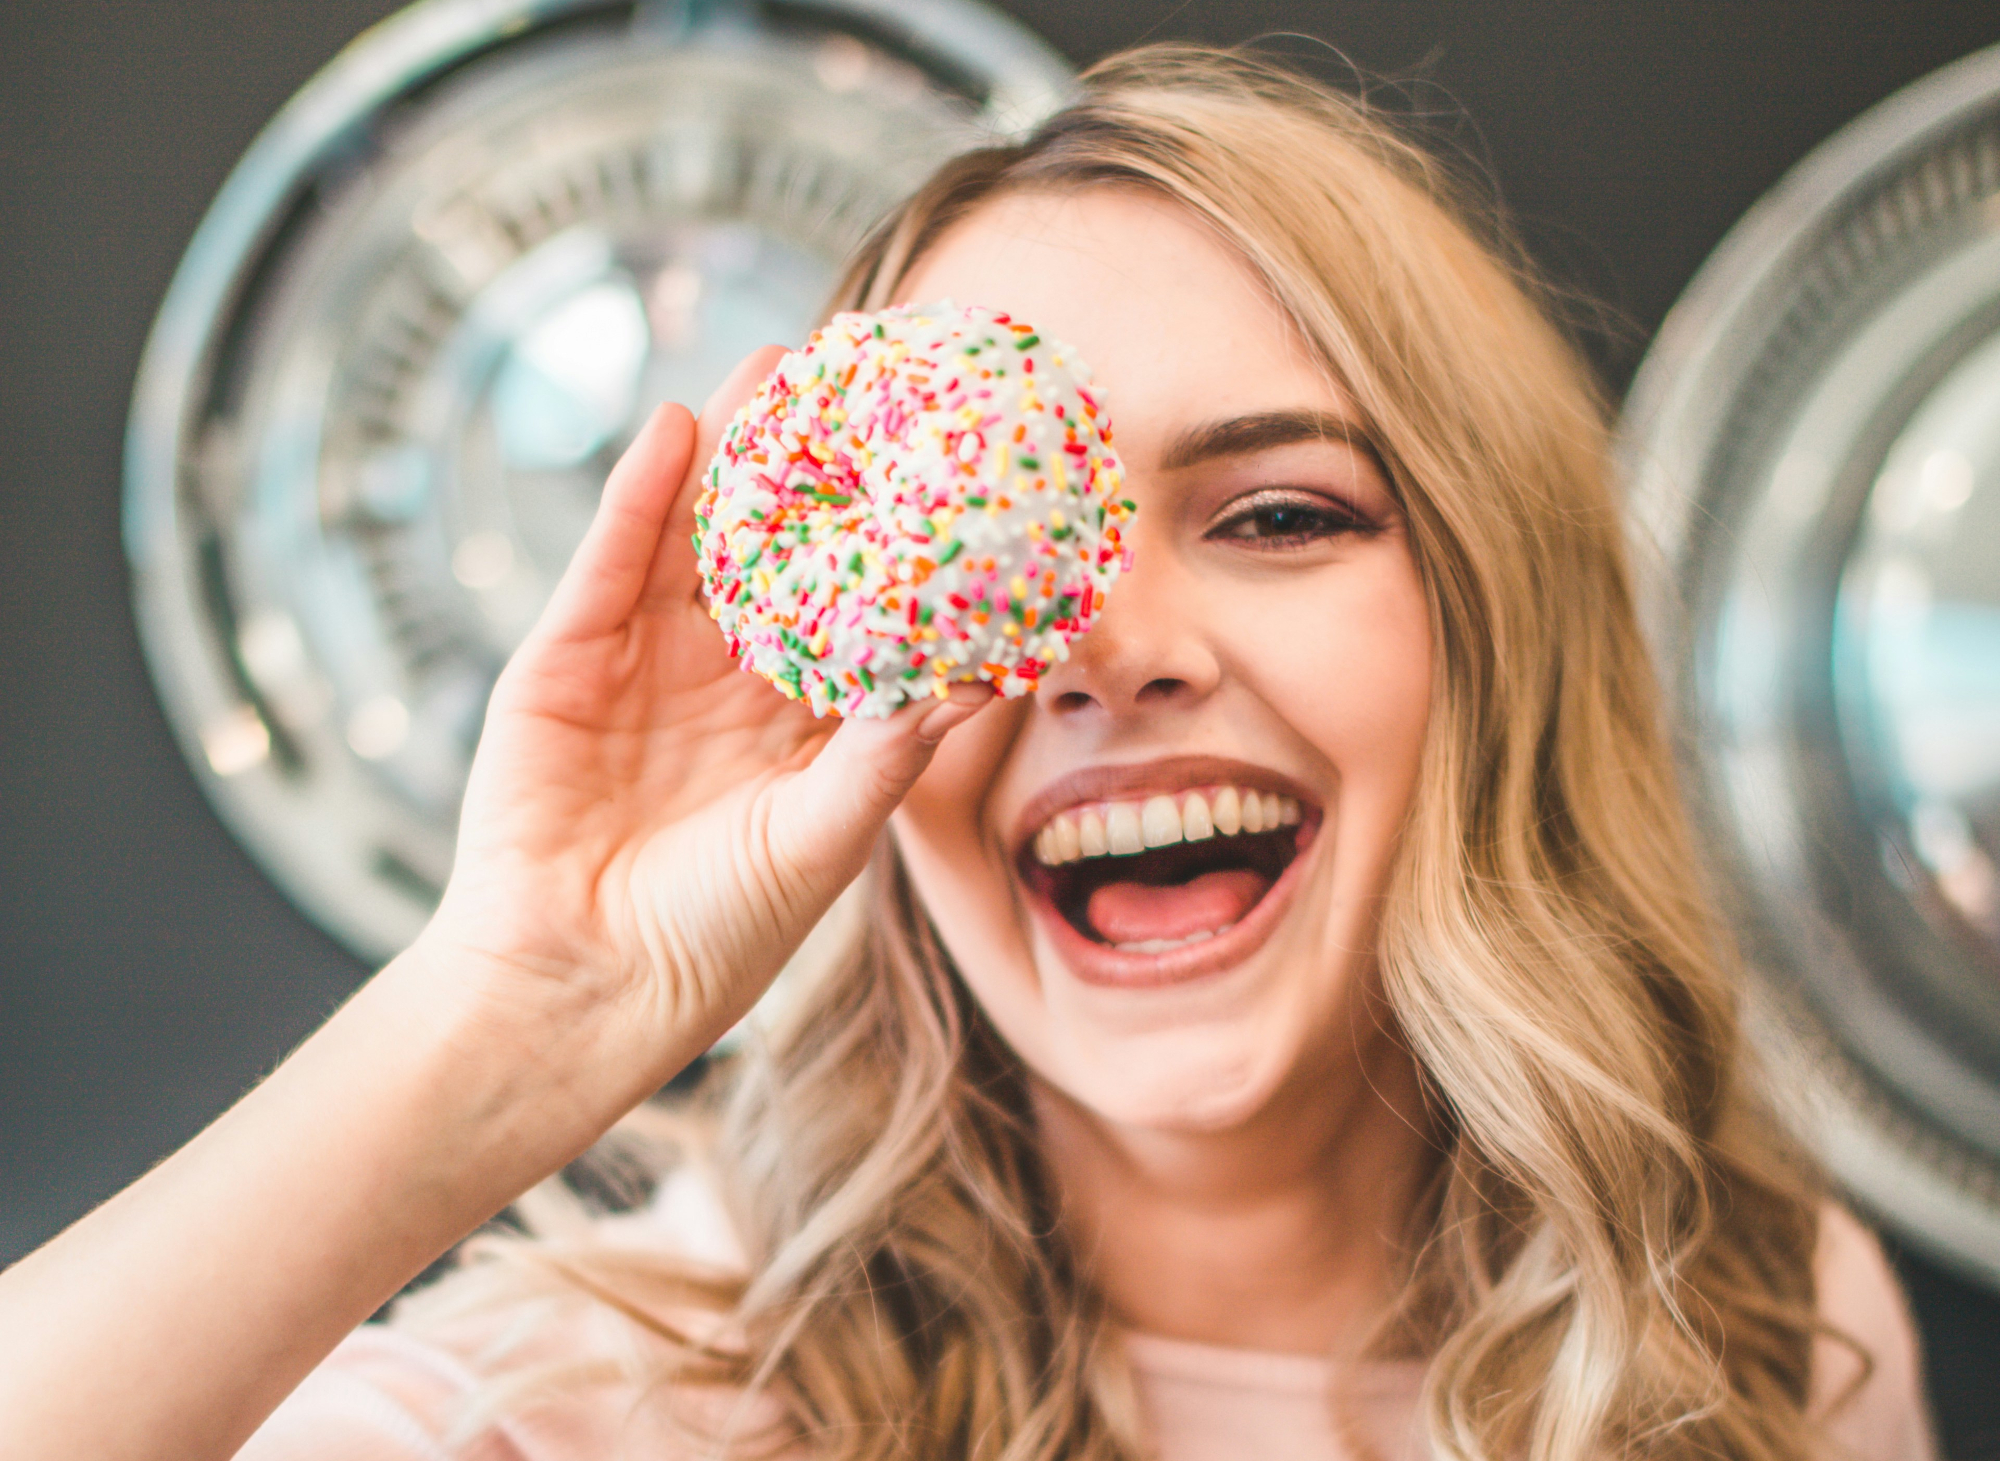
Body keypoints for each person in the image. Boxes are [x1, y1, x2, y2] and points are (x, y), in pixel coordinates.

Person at [0, 45, 1936, 1461]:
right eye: (997, 552)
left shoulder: (1768, 1324)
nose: (1109, 649)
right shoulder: (609, 1414)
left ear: (1494, 615)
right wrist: (510, 1011)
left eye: (1274, 514)